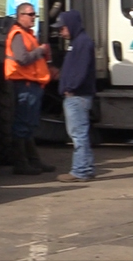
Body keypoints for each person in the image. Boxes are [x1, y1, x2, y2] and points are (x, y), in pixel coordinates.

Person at [4, 2, 55, 175]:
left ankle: (33, 161)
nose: (34, 17)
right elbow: (22, 59)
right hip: (25, 85)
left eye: (34, 14)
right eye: (30, 14)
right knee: (23, 125)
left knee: (29, 125)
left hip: (32, 85)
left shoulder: (28, 34)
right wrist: (40, 51)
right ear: (20, 16)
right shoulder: (18, 34)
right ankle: (21, 164)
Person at [53, 9, 97, 183]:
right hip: (76, 96)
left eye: (62, 28)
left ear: (71, 25)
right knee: (79, 134)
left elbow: (81, 70)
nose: (60, 32)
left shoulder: (82, 43)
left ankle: (81, 170)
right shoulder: (77, 42)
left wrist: (70, 88)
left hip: (77, 97)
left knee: (78, 135)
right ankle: (86, 167)